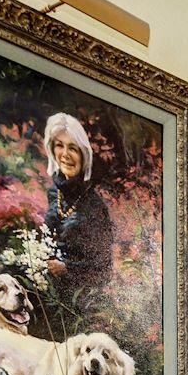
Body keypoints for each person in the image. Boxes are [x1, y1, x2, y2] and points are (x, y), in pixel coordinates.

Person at [41, 112, 115, 297]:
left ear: (83, 155)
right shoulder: (53, 193)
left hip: (80, 298)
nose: (65, 154)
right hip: (48, 288)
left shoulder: (94, 206)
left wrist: (67, 268)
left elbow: (103, 270)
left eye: (73, 148)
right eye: (59, 146)